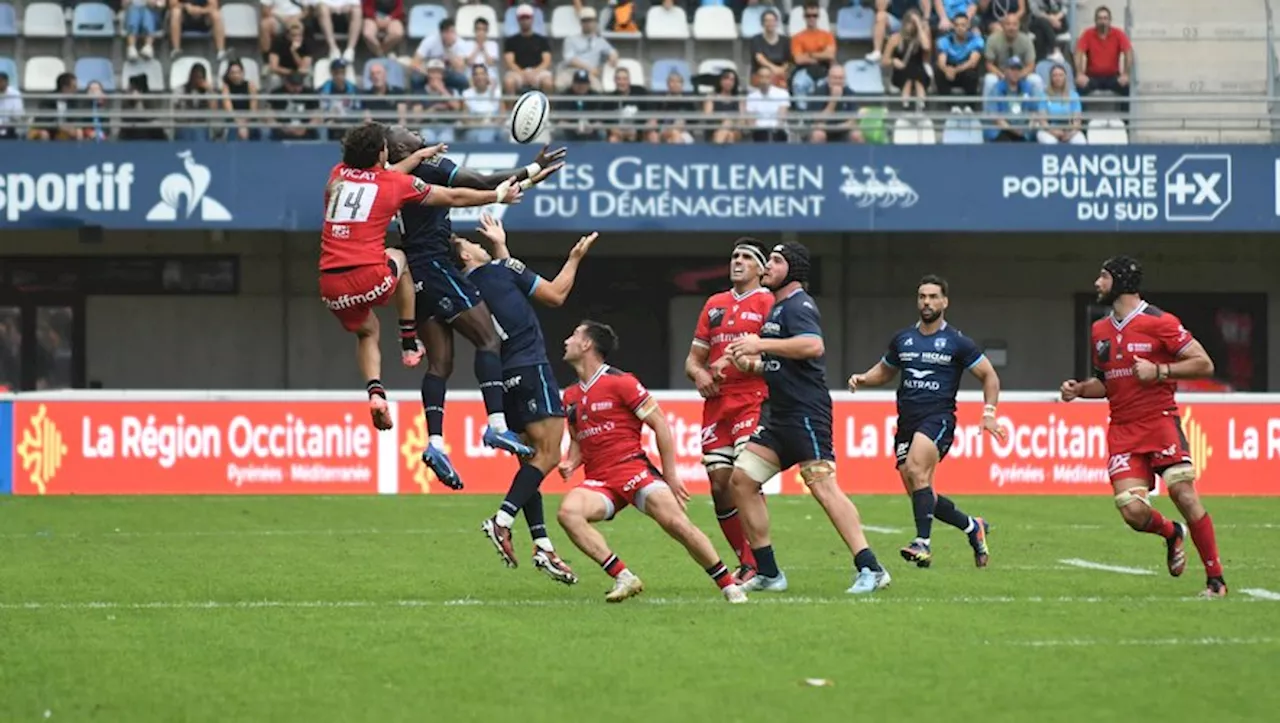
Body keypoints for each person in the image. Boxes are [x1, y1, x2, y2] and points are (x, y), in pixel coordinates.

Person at [383, 126, 565, 483]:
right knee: (488, 339)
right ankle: (496, 424)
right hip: (436, 266)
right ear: (401, 147)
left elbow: (483, 190)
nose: (415, 130)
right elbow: (480, 181)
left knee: (440, 364)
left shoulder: (393, 178)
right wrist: (529, 170)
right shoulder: (430, 164)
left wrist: (523, 183)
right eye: (407, 132)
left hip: (416, 273)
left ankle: (435, 442)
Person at [318, 122, 523, 431]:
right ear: (382, 153)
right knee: (402, 257)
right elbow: (452, 197)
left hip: (330, 286)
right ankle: (408, 340)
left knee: (367, 331)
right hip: (371, 278)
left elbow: (382, 171)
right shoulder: (394, 185)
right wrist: (496, 194)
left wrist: (417, 156)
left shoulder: (337, 175)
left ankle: (375, 391)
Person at [724, 242, 890, 595]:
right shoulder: (777, 309)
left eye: (776, 261)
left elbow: (813, 346)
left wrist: (760, 345)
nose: (767, 266)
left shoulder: (799, 305)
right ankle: (769, 573)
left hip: (805, 413)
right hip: (780, 415)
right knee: (741, 481)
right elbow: (781, 362)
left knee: (822, 487)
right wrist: (750, 362)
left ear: (794, 269)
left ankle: (871, 568)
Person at [1059, 256, 1226, 598]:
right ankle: (1171, 534)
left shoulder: (1161, 322)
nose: (1096, 283)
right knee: (1133, 512)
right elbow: (1106, 382)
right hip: (1123, 431)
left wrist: (1161, 371)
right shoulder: (1099, 330)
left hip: (1159, 423)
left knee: (1183, 493)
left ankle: (1216, 580)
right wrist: (1080, 390)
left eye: (1102, 277)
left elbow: (1204, 363)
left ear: (1119, 282)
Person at [556, 321, 749, 605]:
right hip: (599, 480)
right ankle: (624, 576)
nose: (566, 341)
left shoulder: (621, 382)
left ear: (587, 345)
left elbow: (659, 423)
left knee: (677, 525)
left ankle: (728, 585)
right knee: (568, 513)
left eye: (573, 335)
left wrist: (670, 475)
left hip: (633, 470)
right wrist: (571, 462)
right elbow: (578, 438)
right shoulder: (571, 395)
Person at [452, 213, 598, 584]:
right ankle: (501, 520)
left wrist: (501, 247)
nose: (477, 243)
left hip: (504, 377)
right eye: (471, 244)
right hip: (531, 367)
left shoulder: (466, 290)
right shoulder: (500, 272)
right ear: (466, 257)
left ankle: (543, 544)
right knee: (548, 455)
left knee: (529, 460)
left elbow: (504, 280)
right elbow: (555, 294)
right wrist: (576, 258)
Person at [846, 275, 1003, 568]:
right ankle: (972, 526)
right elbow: (884, 371)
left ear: (945, 302)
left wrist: (989, 413)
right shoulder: (903, 339)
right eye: (922, 296)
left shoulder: (957, 341)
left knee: (918, 468)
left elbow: (989, 375)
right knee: (920, 491)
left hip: (938, 419)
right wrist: (863, 379)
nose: (927, 302)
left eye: (933, 296)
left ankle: (923, 543)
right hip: (907, 421)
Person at [683, 238, 774, 584]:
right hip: (717, 404)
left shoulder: (768, 302)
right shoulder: (714, 304)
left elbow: (778, 358)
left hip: (754, 399)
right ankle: (746, 560)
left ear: (761, 269)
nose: (738, 261)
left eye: (747, 257)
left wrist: (748, 363)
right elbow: (692, 361)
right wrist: (701, 374)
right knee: (719, 484)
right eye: (735, 256)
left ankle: (760, 563)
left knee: (744, 478)